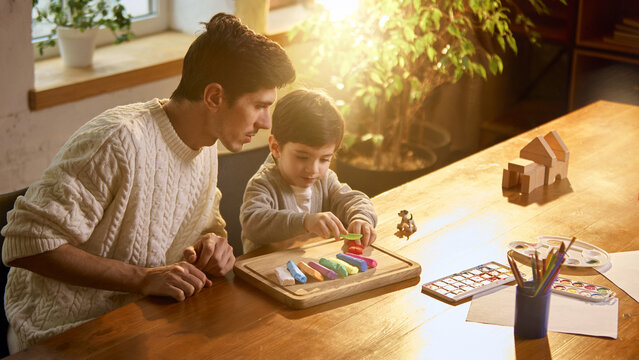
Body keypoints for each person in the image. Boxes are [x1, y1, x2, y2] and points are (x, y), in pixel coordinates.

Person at [0, 13, 295, 352]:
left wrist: (213, 246)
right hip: (63, 335)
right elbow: (26, 243)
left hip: (143, 321)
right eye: (259, 106)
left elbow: (200, 226)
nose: (266, 122)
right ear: (214, 97)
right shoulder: (117, 141)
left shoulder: (206, 145)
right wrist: (142, 278)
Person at [240, 89, 377, 254]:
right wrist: (305, 222)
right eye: (302, 157)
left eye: (324, 159)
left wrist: (361, 218)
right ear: (276, 147)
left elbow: (355, 199)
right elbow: (253, 224)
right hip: (264, 271)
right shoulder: (262, 184)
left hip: (310, 266)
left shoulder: (325, 180)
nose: (313, 169)